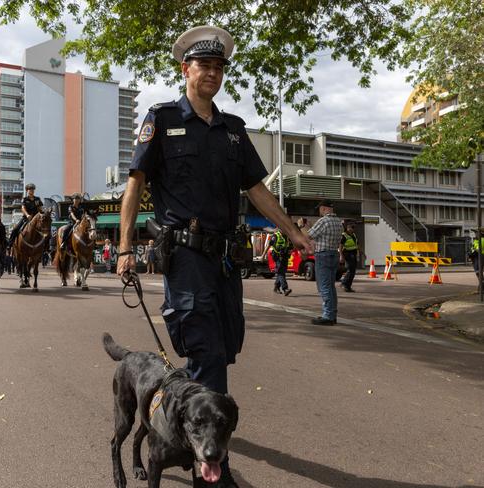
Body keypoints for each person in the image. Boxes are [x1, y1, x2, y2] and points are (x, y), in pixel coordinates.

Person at [116, 25, 314, 488]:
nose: (212, 73)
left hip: (226, 260)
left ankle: (186, 417)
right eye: (204, 65)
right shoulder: (161, 120)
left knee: (224, 348)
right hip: (185, 257)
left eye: (219, 66)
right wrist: (124, 247)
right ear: (185, 69)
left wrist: (292, 233)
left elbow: (258, 190)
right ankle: (212, 464)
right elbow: (135, 185)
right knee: (204, 348)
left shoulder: (232, 131)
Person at [307, 199, 343, 325]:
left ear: (323, 208)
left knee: (324, 287)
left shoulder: (323, 221)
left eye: (320, 209)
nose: (319, 211)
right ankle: (332, 314)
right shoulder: (339, 222)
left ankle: (328, 316)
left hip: (323, 255)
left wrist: (302, 226)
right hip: (334, 254)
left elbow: (308, 236)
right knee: (331, 286)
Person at [8, 183, 44, 248]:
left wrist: (43, 212)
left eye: (33, 189)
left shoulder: (37, 199)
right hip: (26, 218)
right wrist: (27, 215)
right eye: (30, 189)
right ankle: (10, 244)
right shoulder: (24, 199)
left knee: (45, 230)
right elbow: (23, 208)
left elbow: (40, 209)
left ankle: (46, 247)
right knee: (15, 229)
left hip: (36, 219)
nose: (32, 191)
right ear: (27, 190)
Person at [268, 228, 293, 296]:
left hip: (285, 257)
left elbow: (291, 246)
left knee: (281, 272)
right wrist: (263, 255)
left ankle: (276, 287)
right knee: (281, 272)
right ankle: (285, 289)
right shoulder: (275, 236)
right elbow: (271, 245)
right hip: (278, 257)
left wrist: (290, 250)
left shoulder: (287, 236)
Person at [339, 222, 359, 292]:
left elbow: (356, 245)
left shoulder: (353, 235)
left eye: (353, 227)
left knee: (353, 271)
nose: (351, 229)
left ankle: (348, 286)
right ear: (346, 228)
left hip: (353, 254)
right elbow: (340, 246)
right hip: (347, 254)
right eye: (350, 227)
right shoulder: (344, 236)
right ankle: (344, 283)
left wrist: (360, 253)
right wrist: (341, 256)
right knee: (350, 270)